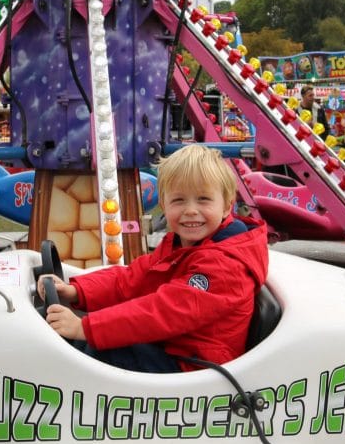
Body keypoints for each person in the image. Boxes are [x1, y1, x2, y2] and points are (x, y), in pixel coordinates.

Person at [37, 144, 268, 373]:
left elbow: (164, 311)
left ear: (227, 206)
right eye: (178, 201)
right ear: (164, 206)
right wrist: (77, 291)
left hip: (195, 367)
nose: (190, 210)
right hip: (174, 346)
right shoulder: (180, 245)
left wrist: (85, 328)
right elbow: (131, 278)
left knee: (91, 352)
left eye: (204, 199)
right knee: (86, 337)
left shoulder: (224, 265)